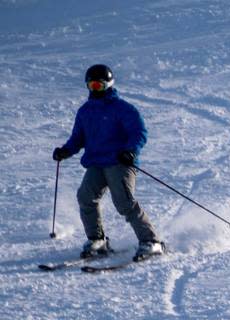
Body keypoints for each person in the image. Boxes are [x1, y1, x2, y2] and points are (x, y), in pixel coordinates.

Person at [52, 64, 164, 260]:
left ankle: (151, 241)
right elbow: (77, 138)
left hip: (119, 162)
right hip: (96, 163)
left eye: (99, 86)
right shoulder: (85, 111)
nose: (95, 90)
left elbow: (139, 133)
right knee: (85, 197)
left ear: (109, 85)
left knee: (123, 202)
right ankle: (97, 240)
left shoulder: (123, 108)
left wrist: (130, 151)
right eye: (92, 86)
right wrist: (65, 151)